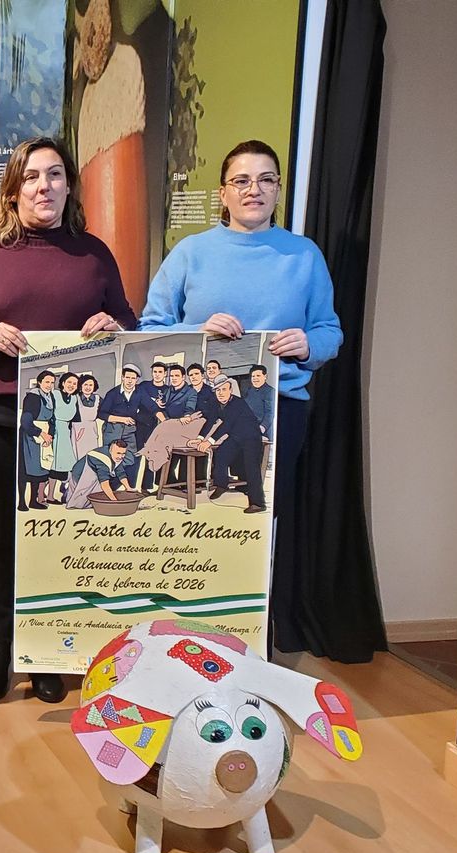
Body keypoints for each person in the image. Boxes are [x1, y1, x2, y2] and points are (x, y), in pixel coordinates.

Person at [0, 135, 134, 705]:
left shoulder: (94, 254)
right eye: (32, 176)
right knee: (0, 533)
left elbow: (127, 319)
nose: (44, 186)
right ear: (13, 189)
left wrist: (115, 326)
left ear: (69, 187)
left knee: (54, 531)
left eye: (55, 175)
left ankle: (43, 649)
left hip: (70, 424)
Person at [139, 139, 343, 651]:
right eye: (242, 180)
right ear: (223, 193)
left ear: (278, 189)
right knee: (202, 522)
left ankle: (250, 645)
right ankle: (183, 639)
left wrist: (309, 344)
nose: (255, 190)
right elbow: (150, 328)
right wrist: (197, 330)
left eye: (267, 179)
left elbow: (329, 330)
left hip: (281, 411)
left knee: (259, 529)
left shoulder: (304, 255)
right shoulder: (190, 253)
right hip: (206, 411)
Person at [191, 376, 267, 513]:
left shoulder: (238, 403)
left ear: (230, 390)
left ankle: (258, 504)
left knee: (251, 468)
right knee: (220, 455)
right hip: (235, 437)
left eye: (224, 389)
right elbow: (210, 421)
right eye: (218, 390)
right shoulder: (215, 403)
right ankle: (221, 485)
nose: (221, 393)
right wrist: (200, 438)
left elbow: (227, 425)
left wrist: (209, 441)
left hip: (251, 437)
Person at [20, 371, 58, 509]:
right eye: (47, 382)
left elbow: (52, 419)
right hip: (30, 436)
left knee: (39, 469)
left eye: (52, 382)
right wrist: (41, 433)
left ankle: (33, 501)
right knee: (25, 469)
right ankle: (22, 502)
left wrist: (50, 435)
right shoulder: (32, 397)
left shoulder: (50, 397)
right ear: (40, 382)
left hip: (45, 436)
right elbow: (25, 420)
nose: (49, 385)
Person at [66, 439, 136, 508]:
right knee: (80, 499)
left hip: (94, 472)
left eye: (123, 454)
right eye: (118, 453)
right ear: (110, 450)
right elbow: (104, 484)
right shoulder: (103, 459)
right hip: (81, 473)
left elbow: (120, 473)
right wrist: (115, 501)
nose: (121, 456)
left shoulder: (116, 456)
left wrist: (128, 488)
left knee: (98, 493)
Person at [49, 372, 82, 502]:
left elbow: (76, 420)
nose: (71, 385)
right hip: (54, 431)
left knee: (69, 465)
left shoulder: (74, 399)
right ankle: (49, 495)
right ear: (63, 383)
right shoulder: (54, 394)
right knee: (52, 465)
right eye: (69, 382)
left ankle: (65, 490)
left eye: (74, 384)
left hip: (66, 434)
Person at [98, 365, 139, 451]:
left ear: (137, 380)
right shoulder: (112, 393)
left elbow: (150, 407)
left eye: (133, 378)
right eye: (127, 377)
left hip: (130, 431)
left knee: (131, 456)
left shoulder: (140, 393)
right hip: (112, 431)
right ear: (122, 378)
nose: (130, 381)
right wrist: (121, 419)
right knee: (110, 455)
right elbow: (101, 414)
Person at [73, 374, 101, 460]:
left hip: (92, 431)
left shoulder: (98, 399)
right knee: (79, 455)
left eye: (90, 385)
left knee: (92, 454)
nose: (88, 387)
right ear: (81, 386)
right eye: (85, 384)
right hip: (78, 430)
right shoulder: (75, 398)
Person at [245, 364, 276, 435]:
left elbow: (270, 412)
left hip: (264, 430)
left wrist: (262, 427)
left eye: (258, 376)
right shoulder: (249, 391)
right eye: (253, 376)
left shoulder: (270, 391)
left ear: (265, 376)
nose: (255, 378)